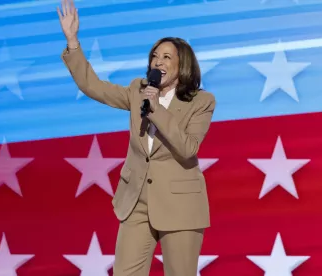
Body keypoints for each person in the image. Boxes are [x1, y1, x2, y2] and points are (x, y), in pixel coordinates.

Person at [57, 0, 216, 275]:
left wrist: (155, 109)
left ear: (183, 64)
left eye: (167, 56)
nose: (158, 61)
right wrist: (73, 42)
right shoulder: (136, 90)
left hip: (179, 205)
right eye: (155, 55)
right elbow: (94, 87)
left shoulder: (201, 101)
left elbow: (187, 147)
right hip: (136, 202)